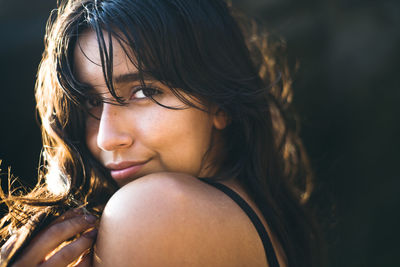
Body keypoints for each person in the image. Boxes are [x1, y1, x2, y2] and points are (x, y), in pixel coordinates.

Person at [0, 0, 322, 266]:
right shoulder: (257, 216)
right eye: (90, 102)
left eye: (143, 92)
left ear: (219, 103)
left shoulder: (154, 209)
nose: (106, 138)